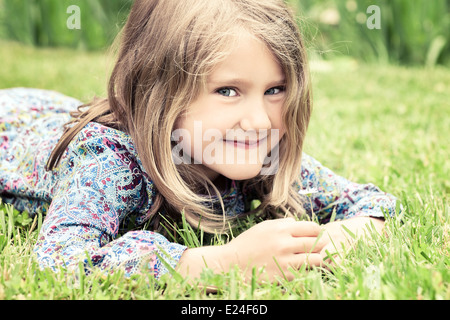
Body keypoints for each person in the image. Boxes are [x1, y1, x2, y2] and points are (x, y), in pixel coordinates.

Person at [0, 0, 400, 283]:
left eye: (275, 90)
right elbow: (60, 260)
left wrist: (325, 243)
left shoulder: (259, 151)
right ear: (158, 92)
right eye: (228, 91)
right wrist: (225, 261)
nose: (260, 121)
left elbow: (375, 206)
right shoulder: (108, 159)